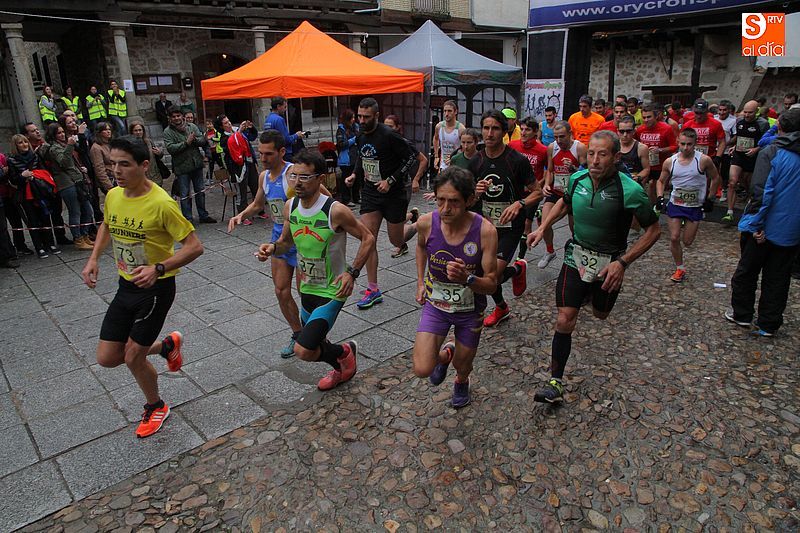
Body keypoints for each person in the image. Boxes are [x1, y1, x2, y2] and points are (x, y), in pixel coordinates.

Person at [82, 135, 203, 438]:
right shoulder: (113, 195)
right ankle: (167, 346)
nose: (116, 171)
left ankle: (156, 405)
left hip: (156, 288)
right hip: (126, 285)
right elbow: (107, 225)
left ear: (144, 165)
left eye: (124, 164)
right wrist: (94, 258)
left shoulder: (162, 203)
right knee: (108, 358)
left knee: (133, 356)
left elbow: (194, 247)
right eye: (112, 164)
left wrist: (159, 267)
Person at [527, 130, 661, 403]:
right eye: (591, 154)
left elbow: (653, 231)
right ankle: (555, 381)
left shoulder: (630, 190)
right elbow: (563, 204)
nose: (595, 160)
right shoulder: (577, 179)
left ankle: (590, 295)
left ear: (615, 157)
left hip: (608, 264)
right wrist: (542, 228)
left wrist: (622, 263)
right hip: (575, 256)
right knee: (564, 318)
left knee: (600, 314)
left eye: (602, 154)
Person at [259, 148, 375, 390]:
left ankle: (344, 355)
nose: (297, 183)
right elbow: (286, 242)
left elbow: (368, 238)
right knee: (317, 342)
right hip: (307, 287)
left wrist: (352, 272)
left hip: (332, 291)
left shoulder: (335, 210)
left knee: (303, 349)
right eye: (294, 176)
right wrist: (271, 248)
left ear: (320, 179)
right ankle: (343, 361)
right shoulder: (291, 206)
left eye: (304, 177)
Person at [412, 166, 498, 408]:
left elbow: (492, 284)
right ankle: (445, 355)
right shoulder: (426, 223)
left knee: (464, 364)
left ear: (470, 200)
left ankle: (461, 380)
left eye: (454, 202)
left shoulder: (485, 232)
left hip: (470, 310)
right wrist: (420, 282)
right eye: (440, 200)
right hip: (436, 304)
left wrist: (467, 279)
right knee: (421, 368)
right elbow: (420, 247)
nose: (445, 209)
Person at [228, 130, 303, 357]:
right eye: (260, 153)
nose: (263, 159)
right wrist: (241, 214)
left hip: (302, 241)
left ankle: (315, 335)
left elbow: (325, 197)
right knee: (281, 291)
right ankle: (298, 334)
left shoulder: (294, 174)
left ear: (282, 152)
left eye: (268, 154)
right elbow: (259, 203)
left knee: (306, 293)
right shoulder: (264, 177)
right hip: (278, 241)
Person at [727, 108, 800, 337]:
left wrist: (758, 224)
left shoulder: (772, 152)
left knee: (747, 272)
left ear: (780, 126)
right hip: (791, 230)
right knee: (778, 277)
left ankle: (742, 315)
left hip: (765, 226)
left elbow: (761, 191)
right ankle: (769, 323)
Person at [469, 109, 542, 327]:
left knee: (492, 276)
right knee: (484, 275)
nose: (489, 133)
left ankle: (516, 270)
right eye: (486, 128)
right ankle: (502, 306)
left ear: (504, 131)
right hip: (486, 227)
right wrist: (476, 192)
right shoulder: (476, 161)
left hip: (510, 227)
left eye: (495, 128)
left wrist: (519, 204)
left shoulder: (516, 160)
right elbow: (468, 201)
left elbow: (537, 191)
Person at [343, 97, 417, 309]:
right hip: (371, 193)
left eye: (366, 117)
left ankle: (414, 224)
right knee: (369, 238)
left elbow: (412, 157)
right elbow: (362, 158)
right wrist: (355, 176)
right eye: (359, 116)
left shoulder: (389, 135)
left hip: (393, 195)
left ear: (377, 115)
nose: (362, 120)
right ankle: (373, 288)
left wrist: (391, 180)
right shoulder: (360, 135)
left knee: (396, 240)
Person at [656, 128, 720, 282]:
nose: (685, 148)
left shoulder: (703, 160)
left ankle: (686, 228)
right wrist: (660, 198)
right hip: (676, 203)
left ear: (695, 144)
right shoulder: (671, 161)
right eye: (682, 144)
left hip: (694, 205)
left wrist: (710, 198)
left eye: (689, 144)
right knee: (674, 237)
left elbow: (716, 178)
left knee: (688, 242)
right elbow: (661, 180)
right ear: (678, 143)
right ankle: (680, 268)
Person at [40, 123, 96, 249]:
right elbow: (64, 162)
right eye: (58, 133)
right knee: (75, 211)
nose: (62, 134)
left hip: (77, 180)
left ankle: (85, 234)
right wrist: (70, 145)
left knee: (88, 210)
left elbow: (77, 155)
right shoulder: (54, 148)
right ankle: (78, 238)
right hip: (66, 184)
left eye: (62, 132)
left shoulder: (64, 144)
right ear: (53, 135)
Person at [542, 121, 587, 268]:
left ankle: (578, 256)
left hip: (573, 193)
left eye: (562, 136)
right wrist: (547, 184)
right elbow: (550, 170)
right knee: (545, 223)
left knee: (575, 229)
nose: (559, 140)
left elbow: (586, 173)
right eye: (556, 137)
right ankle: (550, 251)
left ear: (570, 134)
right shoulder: (552, 147)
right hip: (556, 191)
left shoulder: (579, 148)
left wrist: (573, 168)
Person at [383, 114, 427, 258]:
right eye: (385, 126)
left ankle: (419, 225)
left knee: (396, 227)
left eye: (390, 127)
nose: (387, 130)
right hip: (388, 187)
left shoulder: (404, 143)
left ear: (397, 128)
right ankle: (412, 215)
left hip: (403, 186)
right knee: (394, 221)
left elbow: (423, 160)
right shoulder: (383, 143)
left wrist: (416, 179)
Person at [163, 107, 216, 224]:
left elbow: (202, 140)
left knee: (200, 191)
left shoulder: (191, 126)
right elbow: (171, 148)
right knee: (185, 194)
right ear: (170, 118)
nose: (176, 118)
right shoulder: (168, 132)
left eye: (178, 116)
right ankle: (188, 218)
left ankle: (203, 215)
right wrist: (186, 143)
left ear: (182, 116)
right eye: (174, 116)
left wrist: (195, 140)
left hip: (196, 163)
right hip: (182, 167)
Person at [722, 100, 770, 224]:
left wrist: (756, 149)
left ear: (757, 112)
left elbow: (768, 141)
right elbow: (739, 135)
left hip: (753, 157)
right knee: (732, 182)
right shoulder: (739, 121)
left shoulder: (762, 124)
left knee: (750, 185)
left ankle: (748, 211)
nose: (747, 115)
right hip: (739, 154)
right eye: (745, 112)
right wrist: (735, 146)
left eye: (750, 113)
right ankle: (729, 212)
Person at [508, 117, 547, 257]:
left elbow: (549, 171)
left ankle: (521, 257)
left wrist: (539, 185)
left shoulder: (543, 150)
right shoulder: (512, 145)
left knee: (526, 225)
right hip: (516, 191)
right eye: (522, 129)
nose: (523, 132)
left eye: (528, 130)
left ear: (535, 132)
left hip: (532, 193)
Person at [217, 116, 258, 221]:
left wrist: (251, 128)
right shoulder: (224, 138)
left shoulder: (237, 131)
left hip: (249, 162)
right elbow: (234, 144)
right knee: (242, 191)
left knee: (256, 187)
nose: (229, 124)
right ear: (222, 127)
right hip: (237, 167)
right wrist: (239, 131)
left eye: (229, 121)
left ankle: (259, 210)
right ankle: (242, 215)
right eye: (226, 123)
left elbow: (252, 137)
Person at [635, 103, 677, 203]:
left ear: (656, 116)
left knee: (653, 188)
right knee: (638, 187)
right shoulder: (640, 129)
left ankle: (654, 209)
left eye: (649, 117)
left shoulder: (666, 128)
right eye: (644, 117)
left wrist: (660, 150)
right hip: (644, 165)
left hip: (660, 166)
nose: (646, 120)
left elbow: (675, 146)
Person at [681, 99, 726, 163]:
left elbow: (722, 142)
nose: (699, 116)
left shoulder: (716, 124)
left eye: (702, 113)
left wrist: (718, 157)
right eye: (697, 113)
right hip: (691, 159)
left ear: (707, 112)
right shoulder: (687, 125)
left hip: (710, 158)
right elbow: (681, 142)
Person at [264, 97, 304, 162]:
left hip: (274, 151)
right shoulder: (279, 119)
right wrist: (296, 135)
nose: (285, 109)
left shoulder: (268, 119)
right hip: (284, 153)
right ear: (278, 106)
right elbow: (285, 139)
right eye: (284, 107)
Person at [129, 120, 166, 188]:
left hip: (154, 175)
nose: (138, 132)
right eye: (136, 130)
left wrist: (159, 153)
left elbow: (158, 156)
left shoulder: (149, 142)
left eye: (140, 130)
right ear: (132, 132)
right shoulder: (129, 145)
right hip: (140, 178)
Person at [433, 100, 465, 171]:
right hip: (443, 166)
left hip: (457, 167)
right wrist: (436, 156)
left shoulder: (461, 129)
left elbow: (466, 148)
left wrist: (456, 158)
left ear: (456, 112)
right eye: (445, 111)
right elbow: (436, 138)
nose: (446, 114)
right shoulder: (439, 126)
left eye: (449, 111)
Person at [336, 109, 359, 206]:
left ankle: (356, 197)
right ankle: (346, 199)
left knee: (357, 178)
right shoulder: (341, 130)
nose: (354, 119)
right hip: (346, 159)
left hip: (356, 156)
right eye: (352, 117)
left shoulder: (356, 127)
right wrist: (353, 140)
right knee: (346, 178)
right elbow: (341, 144)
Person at [715, 100, 737, 203]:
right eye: (720, 110)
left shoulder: (733, 121)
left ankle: (723, 190)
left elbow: (735, 136)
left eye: (724, 110)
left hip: (726, 151)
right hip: (713, 150)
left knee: (723, 172)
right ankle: (713, 190)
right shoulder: (714, 119)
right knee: (713, 171)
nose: (722, 112)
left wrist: (724, 144)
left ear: (728, 110)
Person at [618, 115, 650, 184]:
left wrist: (638, 177)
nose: (625, 135)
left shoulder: (641, 148)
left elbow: (647, 169)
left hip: (634, 183)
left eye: (628, 131)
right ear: (617, 131)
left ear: (634, 131)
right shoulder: (613, 146)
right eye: (622, 131)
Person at [89, 122, 117, 195]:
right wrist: (109, 186)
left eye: (109, 129)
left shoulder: (109, 144)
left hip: (117, 177)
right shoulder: (96, 148)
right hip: (110, 180)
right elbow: (99, 169)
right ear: (99, 132)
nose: (108, 131)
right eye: (105, 130)